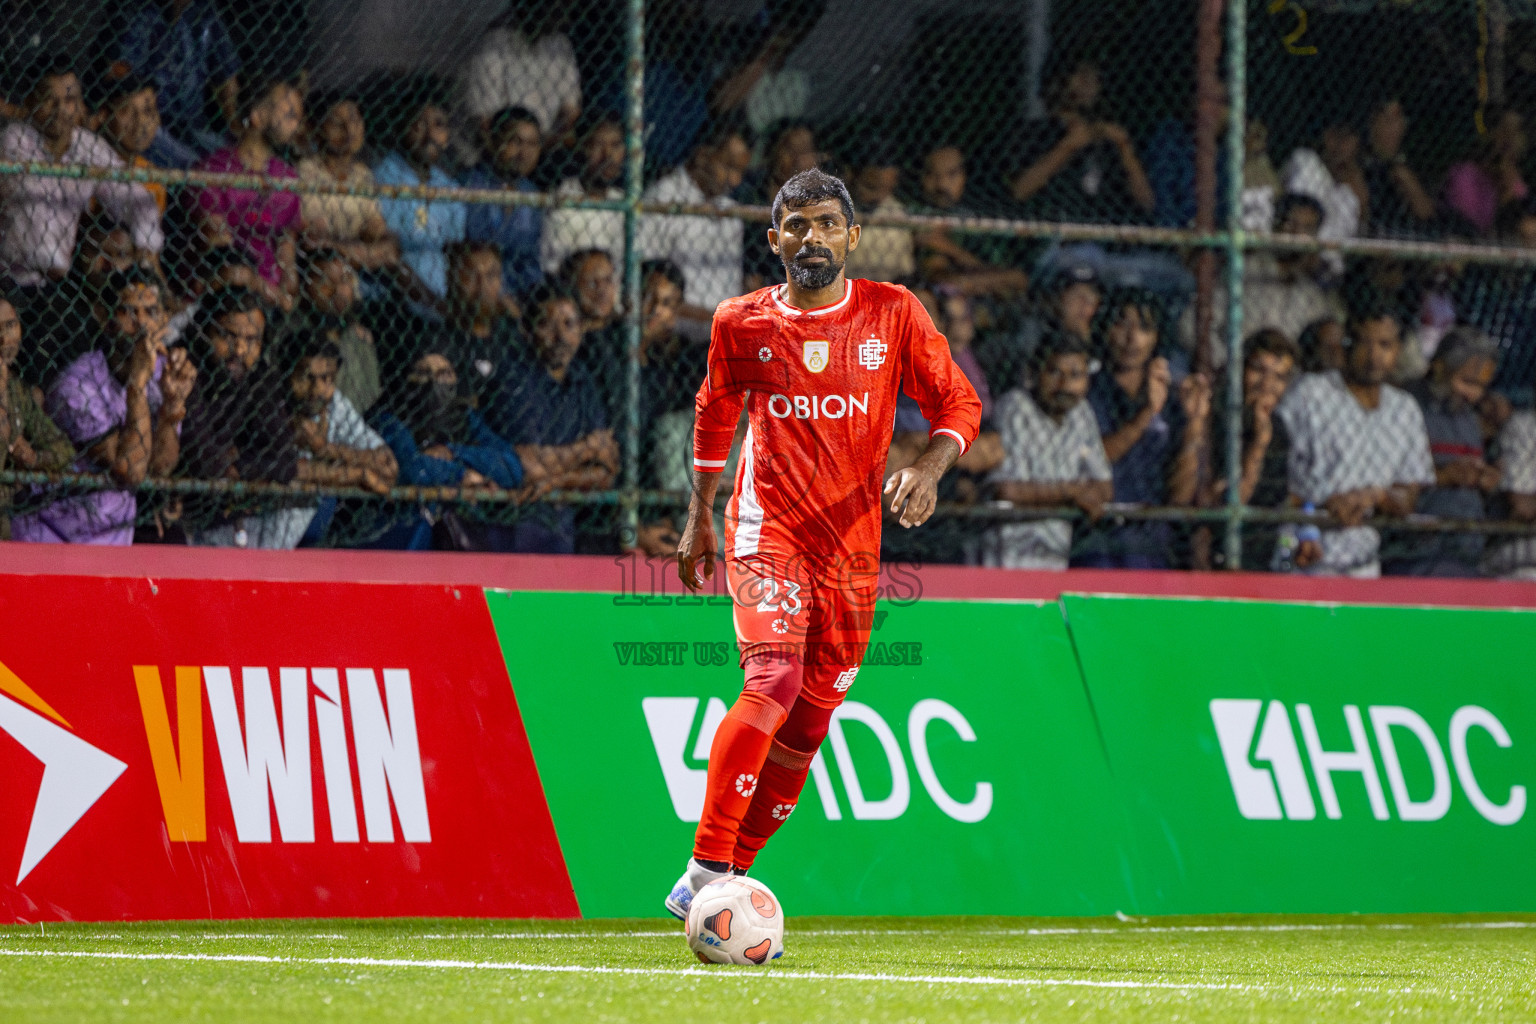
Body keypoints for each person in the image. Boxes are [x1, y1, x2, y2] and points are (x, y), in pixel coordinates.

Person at [666, 168, 981, 918]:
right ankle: (708, 866)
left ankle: (722, 886)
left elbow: (957, 400)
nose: (813, 237)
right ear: (775, 240)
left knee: (808, 723)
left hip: (850, 549)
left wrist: (930, 467)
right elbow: (715, 419)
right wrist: (698, 515)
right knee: (771, 680)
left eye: (827, 224)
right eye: (797, 225)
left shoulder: (893, 314)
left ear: (853, 236)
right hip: (764, 528)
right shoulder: (740, 322)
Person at [11, 267, 196, 544]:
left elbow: (160, 466)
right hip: (51, 536)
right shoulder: (77, 385)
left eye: (151, 312)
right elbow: (130, 471)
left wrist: (173, 405)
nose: (141, 323)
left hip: (110, 541)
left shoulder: (161, 373)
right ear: (107, 319)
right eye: (129, 312)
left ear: (165, 320)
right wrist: (137, 386)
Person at [1275, 298, 1436, 577]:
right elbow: (1274, 476)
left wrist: (1374, 497)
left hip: (1363, 561)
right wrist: (1323, 505)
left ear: (1398, 350)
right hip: (1300, 548)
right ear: (1347, 343)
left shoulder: (1405, 409)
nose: (1374, 356)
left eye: (1385, 345)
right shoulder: (1310, 393)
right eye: (1365, 343)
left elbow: (1408, 496)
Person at [0, 57, 163, 299]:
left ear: (80, 105)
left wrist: (146, 250)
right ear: (30, 102)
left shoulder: (84, 145)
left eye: (69, 100)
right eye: (49, 100)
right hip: (11, 279)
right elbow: (36, 230)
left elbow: (133, 195)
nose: (59, 110)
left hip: (57, 282)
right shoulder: (15, 140)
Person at [1077, 290, 1208, 569]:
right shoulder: (1088, 392)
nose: (1132, 337)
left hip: (1154, 541)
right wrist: (1147, 412)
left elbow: (1180, 496)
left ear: (1157, 338)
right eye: (1121, 324)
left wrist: (1194, 426)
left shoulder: (1173, 401)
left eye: (1144, 328)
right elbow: (1092, 458)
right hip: (1099, 538)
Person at [485, 283, 617, 552]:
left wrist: (555, 481)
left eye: (569, 324)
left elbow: (606, 471)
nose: (560, 337)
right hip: (512, 521)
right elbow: (527, 464)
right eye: (547, 325)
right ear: (528, 330)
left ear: (581, 330)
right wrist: (587, 449)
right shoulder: (513, 379)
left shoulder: (582, 382)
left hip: (561, 526)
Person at [176, 286, 305, 546]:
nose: (240, 349)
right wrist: (236, 467)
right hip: (180, 509)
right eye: (228, 335)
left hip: (228, 510)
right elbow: (205, 461)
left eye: (252, 340)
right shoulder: (185, 368)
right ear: (204, 331)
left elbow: (287, 460)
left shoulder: (258, 375)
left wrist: (239, 464)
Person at [368, 350, 528, 550]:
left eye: (444, 374)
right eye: (423, 373)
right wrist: (461, 475)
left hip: (461, 533)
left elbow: (512, 467)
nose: (433, 383)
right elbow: (413, 469)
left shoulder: (463, 419)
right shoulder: (388, 419)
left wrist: (454, 452)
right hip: (403, 533)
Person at [979, 329, 1112, 569]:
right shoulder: (1015, 406)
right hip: (1006, 557)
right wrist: (1072, 492)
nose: (1064, 384)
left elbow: (1103, 486)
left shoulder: (1082, 412)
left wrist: (1078, 493)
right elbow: (1008, 490)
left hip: (1055, 558)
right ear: (1035, 373)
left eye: (1075, 375)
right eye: (1054, 372)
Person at [1385, 328, 1501, 577]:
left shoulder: (1468, 417)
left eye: (1481, 386)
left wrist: (1484, 479)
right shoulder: (1404, 407)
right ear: (1439, 368)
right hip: (1415, 554)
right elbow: (1383, 479)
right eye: (1467, 382)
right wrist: (1444, 476)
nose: (1474, 394)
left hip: (1466, 552)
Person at [640, 119, 752, 339]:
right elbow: (647, 287)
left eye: (740, 171)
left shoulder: (732, 212)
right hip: (670, 337)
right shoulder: (663, 199)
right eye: (728, 167)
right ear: (702, 156)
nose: (735, 180)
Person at [196, 79, 303, 305]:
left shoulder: (288, 177)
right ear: (257, 116)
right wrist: (267, 290)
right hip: (224, 292)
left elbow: (286, 244)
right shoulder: (214, 171)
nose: (297, 124)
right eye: (289, 114)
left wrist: (288, 285)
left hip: (271, 293)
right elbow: (220, 250)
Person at [1009, 57, 1155, 222]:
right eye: (1081, 75)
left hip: (1110, 234)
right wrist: (1068, 146)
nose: (1088, 83)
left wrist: (1124, 147)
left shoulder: (1107, 136)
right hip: (1059, 233)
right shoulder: (1037, 131)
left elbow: (1146, 202)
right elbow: (1020, 191)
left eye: (1094, 77)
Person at [1202, 328, 1300, 570]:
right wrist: (1258, 445)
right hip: (1216, 552)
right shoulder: (1218, 419)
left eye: (1279, 377)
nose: (1267, 385)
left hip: (1263, 552)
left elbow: (1281, 498)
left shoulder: (1278, 427)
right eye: (1258, 371)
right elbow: (1230, 502)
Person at [108, 0, 241, 164]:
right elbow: (118, 73)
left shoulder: (204, 9)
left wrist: (237, 127)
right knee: (198, 168)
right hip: (154, 122)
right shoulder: (139, 10)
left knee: (236, 161)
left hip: (194, 126)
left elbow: (227, 76)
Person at [373, 87, 467, 300]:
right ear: (401, 127)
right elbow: (389, 255)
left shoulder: (449, 186)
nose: (430, 135)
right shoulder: (384, 178)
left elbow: (453, 248)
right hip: (391, 299)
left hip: (441, 295)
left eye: (439, 125)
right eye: (419, 124)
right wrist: (431, 303)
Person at [296, 92, 400, 273]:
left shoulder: (363, 175)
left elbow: (379, 236)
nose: (348, 129)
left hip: (354, 274)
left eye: (354, 120)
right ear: (317, 129)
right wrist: (364, 251)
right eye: (337, 123)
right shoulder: (305, 173)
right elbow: (314, 244)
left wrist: (339, 247)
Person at [911, 145, 1030, 299]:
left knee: (1016, 278)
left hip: (973, 281)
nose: (942, 184)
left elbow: (1014, 278)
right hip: (941, 290)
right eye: (932, 174)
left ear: (964, 176)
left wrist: (947, 247)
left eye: (951, 174)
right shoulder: (919, 214)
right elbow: (938, 274)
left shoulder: (968, 214)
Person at [0, 297, 76, 539]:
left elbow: (63, 450)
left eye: (10, 325)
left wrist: (31, 457)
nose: (3, 339)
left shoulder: (17, 391)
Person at [279, 248, 383, 415]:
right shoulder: (289, 331)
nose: (337, 291)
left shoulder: (358, 334)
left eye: (344, 280)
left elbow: (372, 398)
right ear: (306, 284)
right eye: (325, 282)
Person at [460, 2, 581, 140]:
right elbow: (484, 120)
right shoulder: (494, 44)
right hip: (507, 144)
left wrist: (548, 144)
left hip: (549, 143)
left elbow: (571, 109)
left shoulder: (559, 44)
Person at [463, 106, 545, 302]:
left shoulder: (532, 194)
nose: (524, 153)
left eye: (532, 144)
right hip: (476, 293)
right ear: (493, 141)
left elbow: (530, 262)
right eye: (515, 141)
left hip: (521, 296)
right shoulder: (468, 186)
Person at [542, 111, 624, 291]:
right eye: (597, 145)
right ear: (581, 149)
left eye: (616, 145)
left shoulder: (623, 201)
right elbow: (553, 270)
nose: (607, 155)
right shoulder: (563, 202)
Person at [438, 239, 524, 406]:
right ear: (451, 278)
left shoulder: (511, 334)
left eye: (491, 275)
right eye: (471, 275)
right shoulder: (442, 342)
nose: (482, 285)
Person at [1360, 97, 1438, 238]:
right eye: (1387, 120)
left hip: (1411, 236)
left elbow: (1426, 213)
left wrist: (1403, 176)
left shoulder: (1413, 163)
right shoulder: (1362, 164)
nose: (1395, 128)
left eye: (1398, 119)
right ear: (1372, 125)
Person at [1444, 107, 1529, 237]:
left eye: (1516, 131)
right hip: (1468, 239)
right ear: (1492, 133)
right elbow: (1470, 224)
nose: (1510, 138)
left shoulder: (1520, 181)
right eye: (1504, 130)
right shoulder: (1466, 174)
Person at [94, 73, 167, 215]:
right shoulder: (87, 163)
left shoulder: (153, 176)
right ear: (103, 115)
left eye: (148, 111)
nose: (140, 122)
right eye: (126, 111)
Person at [842, 147, 914, 283]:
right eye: (871, 187)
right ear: (852, 176)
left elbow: (904, 272)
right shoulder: (835, 209)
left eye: (886, 189)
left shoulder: (896, 212)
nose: (879, 197)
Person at [560, 248, 619, 338]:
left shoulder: (623, 331)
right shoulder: (563, 337)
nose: (602, 291)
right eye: (591, 283)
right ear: (572, 287)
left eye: (608, 280)